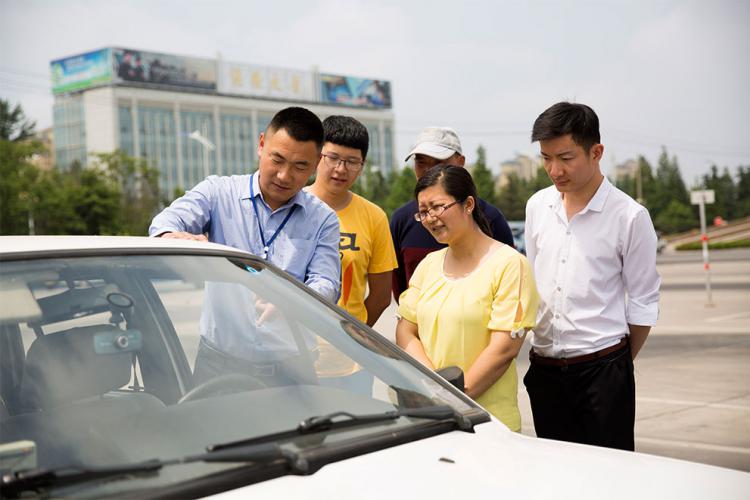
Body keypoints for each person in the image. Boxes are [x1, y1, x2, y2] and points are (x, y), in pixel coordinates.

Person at [149, 106, 341, 384]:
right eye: (277, 159)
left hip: (292, 369)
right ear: (261, 144)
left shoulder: (323, 219)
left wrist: (292, 299)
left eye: (300, 167)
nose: (284, 176)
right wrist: (173, 236)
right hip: (219, 364)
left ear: (316, 164)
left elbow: (326, 282)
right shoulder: (218, 193)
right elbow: (164, 223)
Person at [523, 102, 661, 451]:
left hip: (603, 372)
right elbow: (533, 281)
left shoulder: (629, 216)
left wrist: (616, 365)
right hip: (544, 371)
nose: (554, 170)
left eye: (566, 158)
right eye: (546, 158)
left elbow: (644, 300)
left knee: (610, 473)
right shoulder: (538, 206)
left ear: (596, 152)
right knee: (555, 471)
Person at [396, 165, 539, 431]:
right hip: (433, 416)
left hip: (488, 422)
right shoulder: (429, 265)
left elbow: (503, 350)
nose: (430, 218)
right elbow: (406, 331)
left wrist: (454, 400)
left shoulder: (509, 265)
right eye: (423, 211)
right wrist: (432, 388)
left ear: (468, 204)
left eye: (437, 207)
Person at [307, 116, 398, 393]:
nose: (341, 169)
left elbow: (381, 296)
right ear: (317, 156)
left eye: (352, 161)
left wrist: (350, 337)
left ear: (362, 165)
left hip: (351, 366)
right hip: (293, 359)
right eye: (333, 157)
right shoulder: (292, 206)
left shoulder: (374, 216)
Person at [390, 126, 515, 301]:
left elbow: (508, 288)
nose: (429, 170)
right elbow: (401, 290)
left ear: (460, 162)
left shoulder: (491, 218)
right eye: (421, 162)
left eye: (438, 162)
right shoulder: (401, 220)